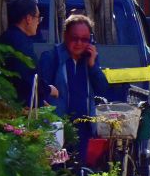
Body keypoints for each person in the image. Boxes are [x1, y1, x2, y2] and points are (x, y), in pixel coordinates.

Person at [38, 14, 110, 165]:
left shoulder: (89, 59)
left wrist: (93, 66)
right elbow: (41, 93)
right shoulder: (51, 58)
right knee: (58, 170)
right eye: (74, 38)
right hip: (58, 128)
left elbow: (103, 90)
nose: (79, 43)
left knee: (80, 170)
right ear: (65, 36)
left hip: (83, 128)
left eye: (84, 39)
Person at [0, 0, 57, 106]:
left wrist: (40, 101)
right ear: (29, 18)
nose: (38, 22)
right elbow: (27, 80)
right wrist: (49, 89)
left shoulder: (5, 37)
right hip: (14, 106)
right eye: (38, 17)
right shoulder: (21, 43)